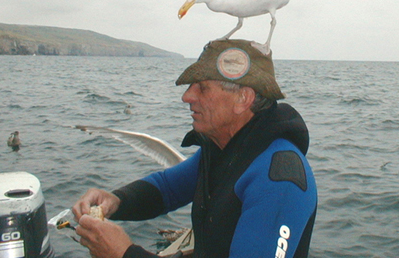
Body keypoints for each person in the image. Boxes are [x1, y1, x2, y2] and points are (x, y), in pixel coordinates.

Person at [72, 39, 317, 258]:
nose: (187, 96)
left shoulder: (278, 181)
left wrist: (124, 254)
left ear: (243, 99)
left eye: (202, 87)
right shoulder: (224, 149)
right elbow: (167, 189)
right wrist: (116, 201)